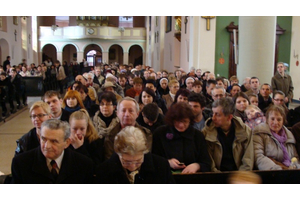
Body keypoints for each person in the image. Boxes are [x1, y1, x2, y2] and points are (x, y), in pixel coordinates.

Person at [11, 119, 94, 183]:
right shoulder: (21, 164)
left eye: (54, 141)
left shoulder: (84, 165)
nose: (47, 146)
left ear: (67, 143)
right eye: (44, 139)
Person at [94, 126, 175, 184]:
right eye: (126, 162)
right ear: (118, 153)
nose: (132, 166)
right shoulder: (104, 171)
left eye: (138, 161)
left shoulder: (161, 166)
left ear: (145, 152)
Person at [152, 102, 211, 173]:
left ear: (190, 120)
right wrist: (167, 162)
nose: (181, 125)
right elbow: (153, 160)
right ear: (172, 120)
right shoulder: (160, 133)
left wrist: (197, 166)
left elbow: (207, 163)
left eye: (185, 121)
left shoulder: (197, 136)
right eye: (178, 121)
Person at [202, 97, 254, 172]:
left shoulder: (245, 131)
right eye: (213, 113)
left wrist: (239, 177)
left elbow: (248, 159)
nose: (213, 118)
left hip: (239, 174)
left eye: (218, 115)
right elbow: (209, 162)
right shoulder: (206, 132)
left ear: (229, 117)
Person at [253, 105, 299, 170]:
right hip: (271, 172)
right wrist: (279, 169)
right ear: (267, 119)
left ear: (283, 121)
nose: (275, 122)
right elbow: (258, 157)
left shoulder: (289, 136)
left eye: (279, 119)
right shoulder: (259, 133)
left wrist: (296, 168)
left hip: (289, 172)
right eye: (272, 119)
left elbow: (295, 157)